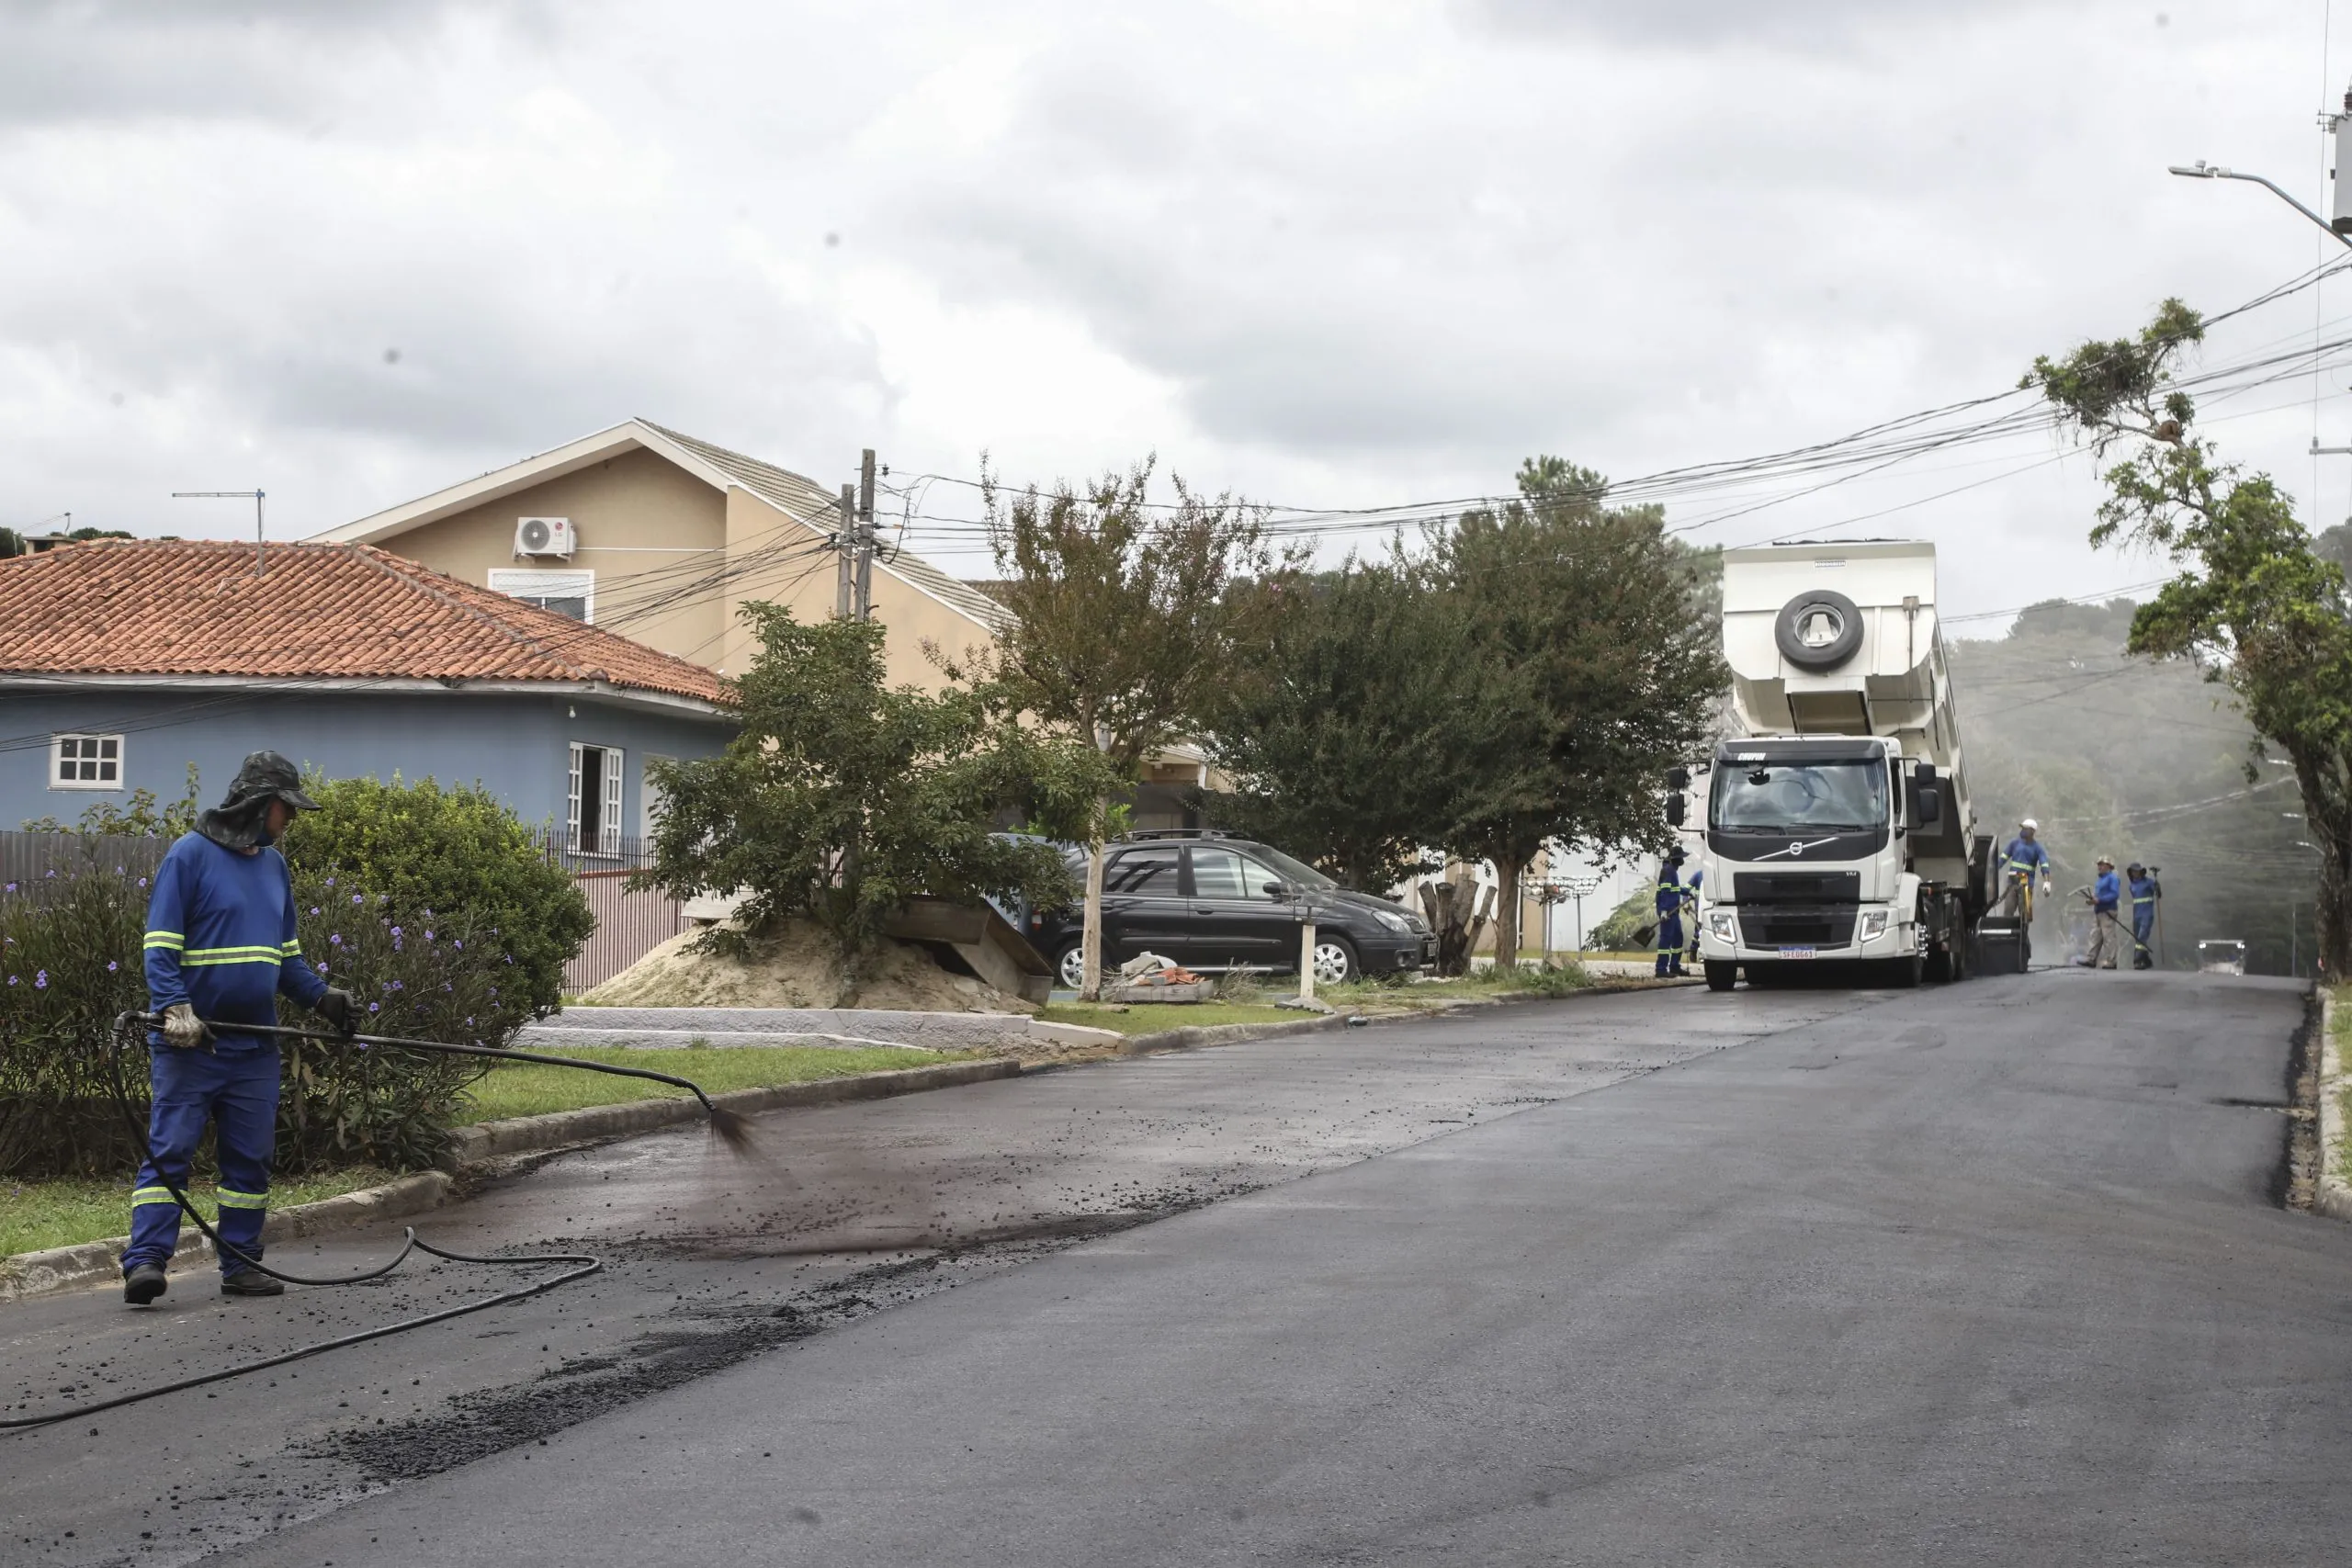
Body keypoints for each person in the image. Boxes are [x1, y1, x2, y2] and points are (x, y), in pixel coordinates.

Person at [120, 752, 356, 1307]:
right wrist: (176, 1009)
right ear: (260, 805)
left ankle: (241, 1263)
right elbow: (160, 947)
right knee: (169, 1153)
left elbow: (285, 960)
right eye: (286, 809)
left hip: (254, 1048)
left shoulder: (275, 869)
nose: (290, 820)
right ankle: (145, 1263)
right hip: (191, 1044)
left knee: (249, 1157)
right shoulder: (189, 857)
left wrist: (324, 998)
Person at [1998, 818, 2052, 919]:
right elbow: (2002, 860)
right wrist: (1991, 870)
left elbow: (2044, 865)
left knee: (2024, 914)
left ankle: (2023, 931)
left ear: (2032, 831)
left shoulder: (2037, 848)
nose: (2022, 830)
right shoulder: (2014, 844)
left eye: (2025, 829)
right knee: (2008, 909)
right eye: (2022, 828)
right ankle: (2007, 930)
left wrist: (2047, 882)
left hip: (2026, 884)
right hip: (2012, 883)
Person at [1655, 849, 1690, 978]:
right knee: (1666, 939)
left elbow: (1675, 888)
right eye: (1681, 857)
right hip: (1668, 912)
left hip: (1673, 912)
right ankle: (1661, 969)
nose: (1683, 860)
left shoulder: (1672, 871)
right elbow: (1664, 892)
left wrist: (1686, 892)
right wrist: (1663, 911)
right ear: (1676, 859)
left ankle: (1675, 966)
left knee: (1678, 938)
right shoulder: (1668, 870)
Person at [2084, 853, 2123, 970]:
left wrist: (2100, 900)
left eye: (2102, 865)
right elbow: (2097, 895)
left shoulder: (2113, 878)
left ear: (2109, 866)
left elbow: (2114, 894)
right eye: (2099, 865)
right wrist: (2092, 900)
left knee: (2108, 937)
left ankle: (2111, 961)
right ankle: (2091, 959)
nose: (2099, 867)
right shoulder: (2100, 880)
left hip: (2108, 911)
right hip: (2099, 911)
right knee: (2095, 936)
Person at [2127, 862, 2162, 970]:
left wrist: (2157, 886)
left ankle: (2137, 960)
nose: (2134, 873)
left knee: (2142, 937)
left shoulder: (2149, 882)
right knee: (2138, 938)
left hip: (2147, 915)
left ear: (2141, 872)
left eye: (2136, 871)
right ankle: (2146, 961)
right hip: (2136, 915)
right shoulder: (2131, 885)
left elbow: (2158, 895)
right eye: (2133, 871)